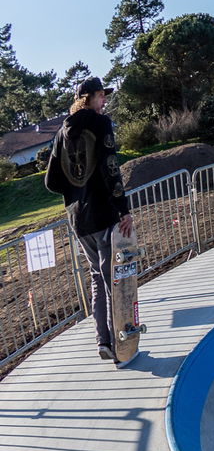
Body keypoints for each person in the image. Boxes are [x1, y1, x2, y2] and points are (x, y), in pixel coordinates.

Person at [43, 77, 134, 364]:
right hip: (105, 214)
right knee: (114, 281)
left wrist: (75, 192)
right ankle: (121, 345)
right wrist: (124, 209)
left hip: (79, 220)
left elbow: (51, 181)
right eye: (99, 96)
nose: (104, 101)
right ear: (88, 98)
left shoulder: (61, 133)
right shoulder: (100, 123)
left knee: (98, 278)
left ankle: (103, 342)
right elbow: (110, 168)